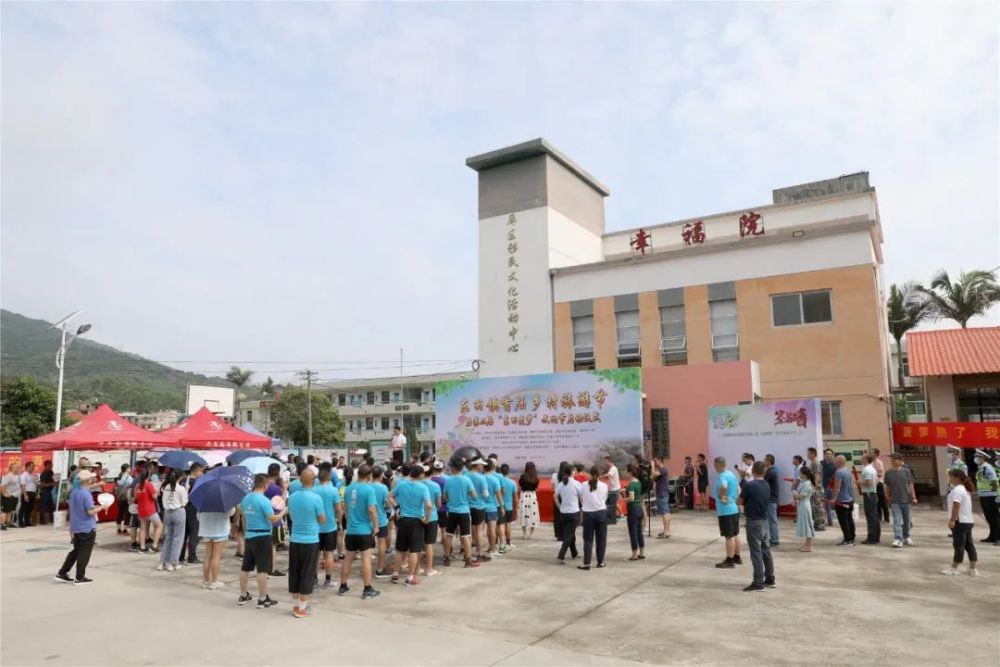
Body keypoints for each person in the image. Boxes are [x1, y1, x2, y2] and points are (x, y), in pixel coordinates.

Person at [238, 473, 286, 609]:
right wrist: (283, 512)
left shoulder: (246, 498)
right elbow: (272, 519)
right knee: (262, 570)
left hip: (249, 535)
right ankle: (263, 598)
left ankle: (243, 594)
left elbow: (243, 514)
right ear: (265, 485)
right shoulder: (263, 500)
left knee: (245, 567)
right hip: (263, 536)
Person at [285, 468, 325, 617]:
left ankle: (296, 605)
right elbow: (321, 519)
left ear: (300, 480)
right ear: (313, 481)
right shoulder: (316, 499)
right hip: (310, 540)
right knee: (307, 573)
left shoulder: (292, 497)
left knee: (294, 571)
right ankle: (302, 608)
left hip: (295, 539)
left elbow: (291, 515)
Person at [339, 464, 381, 599]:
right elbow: (371, 510)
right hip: (364, 530)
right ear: (369, 476)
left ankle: (343, 586)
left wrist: (350, 520)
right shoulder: (369, 490)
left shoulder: (348, 488)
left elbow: (344, 507)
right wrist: (376, 525)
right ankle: (367, 589)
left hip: (351, 530)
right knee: (366, 560)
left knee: (348, 559)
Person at [54, 470, 102, 585]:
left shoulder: (74, 492)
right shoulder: (86, 494)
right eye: (91, 478)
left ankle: (62, 573)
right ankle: (80, 577)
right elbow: (90, 512)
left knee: (76, 551)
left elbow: (80, 507)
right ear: (88, 480)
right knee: (84, 553)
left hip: (75, 526)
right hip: (87, 527)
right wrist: (101, 507)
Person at [390, 465, 432, 585]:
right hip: (416, 520)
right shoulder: (423, 488)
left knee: (400, 548)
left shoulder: (401, 484)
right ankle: (410, 576)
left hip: (402, 519)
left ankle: (395, 574)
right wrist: (426, 519)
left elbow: (390, 496)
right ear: (420, 475)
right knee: (414, 550)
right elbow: (429, 505)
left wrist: (397, 507)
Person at [740, 462, 775, 592]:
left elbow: (741, 500)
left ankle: (758, 581)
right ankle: (770, 578)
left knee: (756, 552)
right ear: (764, 472)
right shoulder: (766, 484)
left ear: (753, 471)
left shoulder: (749, 485)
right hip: (764, 520)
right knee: (766, 550)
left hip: (754, 521)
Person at [942, 470, 979, 576]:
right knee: (969, 544)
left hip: (960, 521)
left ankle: (954, 568)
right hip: (968, 521)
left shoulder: (957, 490)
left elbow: (956, 506)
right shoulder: (964, 489)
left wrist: (952, 520)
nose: (949, 479)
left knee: (959, 544)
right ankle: (972, 569)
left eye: (951, 476)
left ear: (957, 477)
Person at [442, 459, 478, 568]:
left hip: (452, 511)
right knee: (466, 536)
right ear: (462, 468)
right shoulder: (467, 480)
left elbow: (445, 497)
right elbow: (474, 495)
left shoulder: (448, 480)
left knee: (449, 535)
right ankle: (468, 559)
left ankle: (447, 557)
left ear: (453, 468)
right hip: (464, 511)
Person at [314, 464, 344, 589]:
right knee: (329, 553)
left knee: (315, 554)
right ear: (328, 477)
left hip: (315, 527)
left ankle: (314, 579)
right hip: (330, 526)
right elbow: (338, 509)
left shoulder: (313, 490)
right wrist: (340, 523)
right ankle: (328, 580)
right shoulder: (333, 490)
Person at [713, 457, 742, 568]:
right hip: (734, 508)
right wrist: (732, 498)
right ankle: (737, 557)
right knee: (735, 534)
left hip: (725, 510)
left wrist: (721, 496)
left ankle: (729, 560)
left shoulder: (723, 476)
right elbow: (739, 489)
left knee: (728, 536)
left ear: (719, 465)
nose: (714, 467)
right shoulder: (731, 474)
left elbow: (724, 486)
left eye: (715, 465)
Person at [157, 470, 188, 572]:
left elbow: (163, 500)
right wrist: (187, 492)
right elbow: (184, 502)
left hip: (168, 512)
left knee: (168, 538)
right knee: (177, 539)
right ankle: (173, 562)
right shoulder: (181, 489)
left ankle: (163, 562)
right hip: (178, 512)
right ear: (180, 477)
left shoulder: (166, 487)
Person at [884, 452, 917, 547]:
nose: (892, 461)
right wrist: (888, 498)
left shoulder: (906, 471)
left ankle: (907, 537)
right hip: (894, 501)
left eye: (895, 459)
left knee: (907, 521)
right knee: (897, 520)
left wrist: (914, 497)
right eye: (892, 459)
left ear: (900, 461)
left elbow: (911, 484)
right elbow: (887, 487)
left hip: (906, 500)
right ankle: (898, 538)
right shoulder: (888, 472)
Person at [579, 465, 608, 570]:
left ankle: (587, 563)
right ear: (599, 475)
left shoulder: (583, 485)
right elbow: (605, 498)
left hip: (588, 514)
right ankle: (600, 562)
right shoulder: (604, 486)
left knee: (588, 540)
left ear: (590, 474)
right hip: (601, 513)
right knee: (601, 539)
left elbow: (581, 498)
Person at [198, 507, 231, 589]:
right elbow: (231, 512)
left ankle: (206, 581)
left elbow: (198, 516)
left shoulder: (203, 500)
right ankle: (214, 581)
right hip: (220, 529)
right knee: (216, 556)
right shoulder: (224, 500)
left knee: (208, 556)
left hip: (206, 529)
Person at [555, 462, 582, 563]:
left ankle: (574, 553)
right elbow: (581, 497)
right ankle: (561, 555)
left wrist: (560, 506)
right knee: (569, 535)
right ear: (571, 472)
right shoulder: (576, 484)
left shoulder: (561, 484)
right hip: (573, 513)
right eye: (574, 470)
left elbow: (555, 496)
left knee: (571, 533)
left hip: (564, 513)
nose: (575, 472)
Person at [179, 463, 205, 564]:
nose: (202, 473)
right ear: (196, 470)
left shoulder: (183, 480)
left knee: (184, 533)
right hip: (193, 509)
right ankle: (192, 557)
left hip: (183, 508)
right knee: (194, 534)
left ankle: (180, 556)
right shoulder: (197, 482)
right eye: (201, 471)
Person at [972, 449, 999, 544]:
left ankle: (998, 537)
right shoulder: (981, 468)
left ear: (983, 458)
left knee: (994, 517)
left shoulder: (988, 468)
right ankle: (992, 535)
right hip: (983, 495)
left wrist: (996, 493)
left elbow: (994, 481)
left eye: (977, 457)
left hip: (990, 495)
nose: (976, 458)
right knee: (989, 517)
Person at [467, 459, 491, 562]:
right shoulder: (481, 478)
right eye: (482, 465)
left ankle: (467, 554)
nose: (483, 467)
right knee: (479, 531)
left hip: (467, 507)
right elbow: (486, 494)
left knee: (467, 531)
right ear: (477, 465)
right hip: (479, 507)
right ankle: (480, 552)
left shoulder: (465, 476)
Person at [370, 466, 392, 578]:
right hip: (381, 519)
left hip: (367, 520)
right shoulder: (383, 488)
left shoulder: (366, 486)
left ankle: (367, 568)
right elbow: (387, 504)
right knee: (381, 543)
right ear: (380, 475)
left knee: (367, 547)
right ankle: (380, 569)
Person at [830, 455, 857, 546]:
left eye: (836, 461)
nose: (834, 463)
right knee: (849, 520)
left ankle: (847, 540)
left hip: (842, 501)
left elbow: (837, 487)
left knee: (843, 521)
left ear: (840, 461)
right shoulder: (848, 470)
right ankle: (852, 538)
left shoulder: (839, 472)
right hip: (850, 500)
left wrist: (834, 499)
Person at [422, 464, 443, 575]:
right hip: (432, 517)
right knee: (429, 544)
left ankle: (416, 569)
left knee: (417, 545)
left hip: (419, 516)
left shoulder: (418, 485)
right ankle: (428, 569)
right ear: (431, 473)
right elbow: (439, 503)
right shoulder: (435, 486)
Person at [134, 471, 162, 553]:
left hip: (141, 509)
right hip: (150, 510)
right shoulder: (149, 484)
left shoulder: (138, 486)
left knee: (142, 528)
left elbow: (136, 497)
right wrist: (157, 492)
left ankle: (142, 547)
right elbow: (154, 497)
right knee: (160, 525)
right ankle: (154, 546)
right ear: (148, 475)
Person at [623, 464, 645, 561]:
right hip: (639, 508)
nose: (626, 474)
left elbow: (631, 498)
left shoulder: (631, 484)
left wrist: (624, 499)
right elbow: (636, 495)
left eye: (627, 472)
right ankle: (642, 552)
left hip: (633, 510)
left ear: (630, 473)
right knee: (639, 532)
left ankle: (634, 554)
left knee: (633, 532)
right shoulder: (638, 482)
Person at [483, 460, 503, 558]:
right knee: (492, 529)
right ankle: (493, 549)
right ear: (492, 467)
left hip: (481, 507)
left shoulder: (480, 478)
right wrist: (502, 507)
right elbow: (498, 495)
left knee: (485, 530)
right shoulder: (495, 479)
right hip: (492, 507)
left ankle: (490, 547)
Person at [859, 453, 881, 545]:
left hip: (869, 494)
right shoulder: (872, 469)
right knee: (874, 516)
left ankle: (872, 537)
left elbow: (869, 482)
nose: (861, 458)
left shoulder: (867, 469)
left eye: (862, 457)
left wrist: (859, 482)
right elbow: (877, 482)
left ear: (866, 459)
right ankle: (876, 536)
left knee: (871, 516)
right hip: (873, 493)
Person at [793, 467, 815, 552]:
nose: (799, 475)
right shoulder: (806, 482)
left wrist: (794, 493)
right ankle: (807, 544)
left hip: (804, 505)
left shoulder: (806, 483)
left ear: (804, 474)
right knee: (807, 524)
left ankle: (809, 546)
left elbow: (801, 496)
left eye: (801, 473)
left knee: (807, 525)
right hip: (804, 504)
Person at [518, 461, 540, 539]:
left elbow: (520, 485)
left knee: (524, 513)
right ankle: (531, 534)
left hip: (524, 496)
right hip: (532, 496)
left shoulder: (523, 476)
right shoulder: (536, 477)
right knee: (533, 514)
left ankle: (524, 533)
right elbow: (537, 487)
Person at [805, 448, 826, 531]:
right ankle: (817, 523)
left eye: (808, 453)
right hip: (813, 487)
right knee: (814, 507)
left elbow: (817, 475)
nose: (807, 455)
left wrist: (815, 487)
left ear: (813, 454)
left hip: (817, 488)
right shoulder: (812, 463)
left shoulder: (816, 463)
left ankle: (820, 524)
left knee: (818, 506)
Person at [498, 464, 517, 552]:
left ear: (500, 471)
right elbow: (515, 496)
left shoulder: (498, 480)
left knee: (500, 525)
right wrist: (516, 507)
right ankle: (508, 542)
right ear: (508, 471)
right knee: (508, 524)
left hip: (499, 505)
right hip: (509, 506)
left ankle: (500, 543)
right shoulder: (512, 482)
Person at [763, 454, 780, 547]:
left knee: (772, 520)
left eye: (764, 460)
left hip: (771, 499)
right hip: (770, 499)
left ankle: (774, 539)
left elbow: (762, 482)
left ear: (768, 461)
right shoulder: (771, 471)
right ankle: (772, 538)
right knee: (769, 520)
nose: (763, 461)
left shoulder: (770, 472)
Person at [652, 457, 671, 538]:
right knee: (666, 512)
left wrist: (652, 466)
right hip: (663, 493)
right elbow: (653, 477)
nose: (655, 463)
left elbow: (653, 474)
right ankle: (666, 530)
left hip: (662, 493)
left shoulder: (663, 469)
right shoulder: (661, 470)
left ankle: (666, 532)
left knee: (664, 513)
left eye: (655, 461)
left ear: (660, 461)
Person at [871, 448, 889, 523]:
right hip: (873, 484)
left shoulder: (879, 463)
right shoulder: (871, 462)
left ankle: (886, 518)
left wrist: (871, 474)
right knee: (877, 502)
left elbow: (880, 474)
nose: (870, 454)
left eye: (871, 453)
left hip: (879, 484)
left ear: (875, 454)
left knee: (883, 501)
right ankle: (879, 517)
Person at [114, 464, 133, 535]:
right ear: (127, 469)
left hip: (119, 496)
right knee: (127, 513)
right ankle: (125, 529)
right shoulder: (129, 477)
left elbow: (117, 484)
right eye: (129, 468)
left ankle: (118, 529)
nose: (130, 469)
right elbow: (132, 485)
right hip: (126, 497)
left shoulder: (119, 476)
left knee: (120, 512)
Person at [18, 462, 39, 527]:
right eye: (31, 466)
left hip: (33, 493)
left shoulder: (33, 475)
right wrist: (25, 495)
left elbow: (37, 484)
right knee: (23, 508)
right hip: (27, 492)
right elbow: (23, 485)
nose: (33, 467)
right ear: (27, 467)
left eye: (33, 466)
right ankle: (21, 522)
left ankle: (27, 522)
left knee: (30, 508)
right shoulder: (23, 475)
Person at [1, 462, 22, 530]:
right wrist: (4, 494)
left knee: (9, 511)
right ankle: (2, 524)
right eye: (15, 467)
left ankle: (9, 523)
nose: (17, 469)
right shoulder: (9, 476)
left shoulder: (15, 476)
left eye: (18, 467)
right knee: (5, 511)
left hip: (14, 496)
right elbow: (2, 486)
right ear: (11, 468)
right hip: (8, 496)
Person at [551, 461, 567, 541]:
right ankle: (565, 534)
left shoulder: (554, 475)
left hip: (556, 497)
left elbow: (552, 488)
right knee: (566, 516)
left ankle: (558, 535)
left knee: (557, 516)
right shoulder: (568, 476)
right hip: (566, 497)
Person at [821, 448, 836, 527]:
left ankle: (829, 521)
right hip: (821, 486)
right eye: (827, 454)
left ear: (832, 455)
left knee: (827, 504)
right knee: (823, 504)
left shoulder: (834, 465)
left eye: (830, 454)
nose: (828, 455)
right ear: (824, 455)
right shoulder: (821, 463)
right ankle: (825, 520)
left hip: (830, 487)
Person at [38, 460, 56, 526]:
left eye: (52, 465)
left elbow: (54, 480)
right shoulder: (43, 473)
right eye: (50, 465)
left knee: (51, 506)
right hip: (44, 491)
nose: (51, 466)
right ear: (46, 465)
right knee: (43, 506)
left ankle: (52, 519)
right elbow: (43, 484)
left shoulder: (51, 472)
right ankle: (41, 520)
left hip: (49, 491)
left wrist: (55, 482)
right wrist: (52, 484)